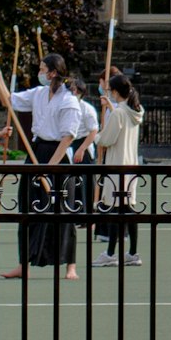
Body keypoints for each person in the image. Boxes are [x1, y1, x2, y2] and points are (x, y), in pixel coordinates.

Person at [0, 52, 82, 280]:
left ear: (53, 72)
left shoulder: (69, 101)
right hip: (36, 152)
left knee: (62, 210)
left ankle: (70, 265)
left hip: (57, 156)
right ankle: (23, 263)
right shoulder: (38, 93)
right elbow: (9, 100)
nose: (40, 72)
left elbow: (68, 138)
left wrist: (49, 167)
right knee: (28, 207)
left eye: (43, 68)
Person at [92, 72, 145, 267]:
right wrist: (111, 107)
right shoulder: (135, 110)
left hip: (117, 165)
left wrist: (97, 136)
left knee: (116, 208)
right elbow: (121, 121)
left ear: (115, 91)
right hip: (130, 164)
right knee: (127, 208)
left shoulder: (119, 113)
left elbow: (107, 139)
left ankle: (111, 253)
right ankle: (131, 252)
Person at [65, 74, 100, 278]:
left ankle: (88, 216)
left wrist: (82, 149)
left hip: (82, 145)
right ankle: (76, 213)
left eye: (74, 90)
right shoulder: (68, 107)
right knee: (73, 184)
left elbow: (93, 130)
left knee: (86, 182)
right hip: (70, 144)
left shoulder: (86, 108)